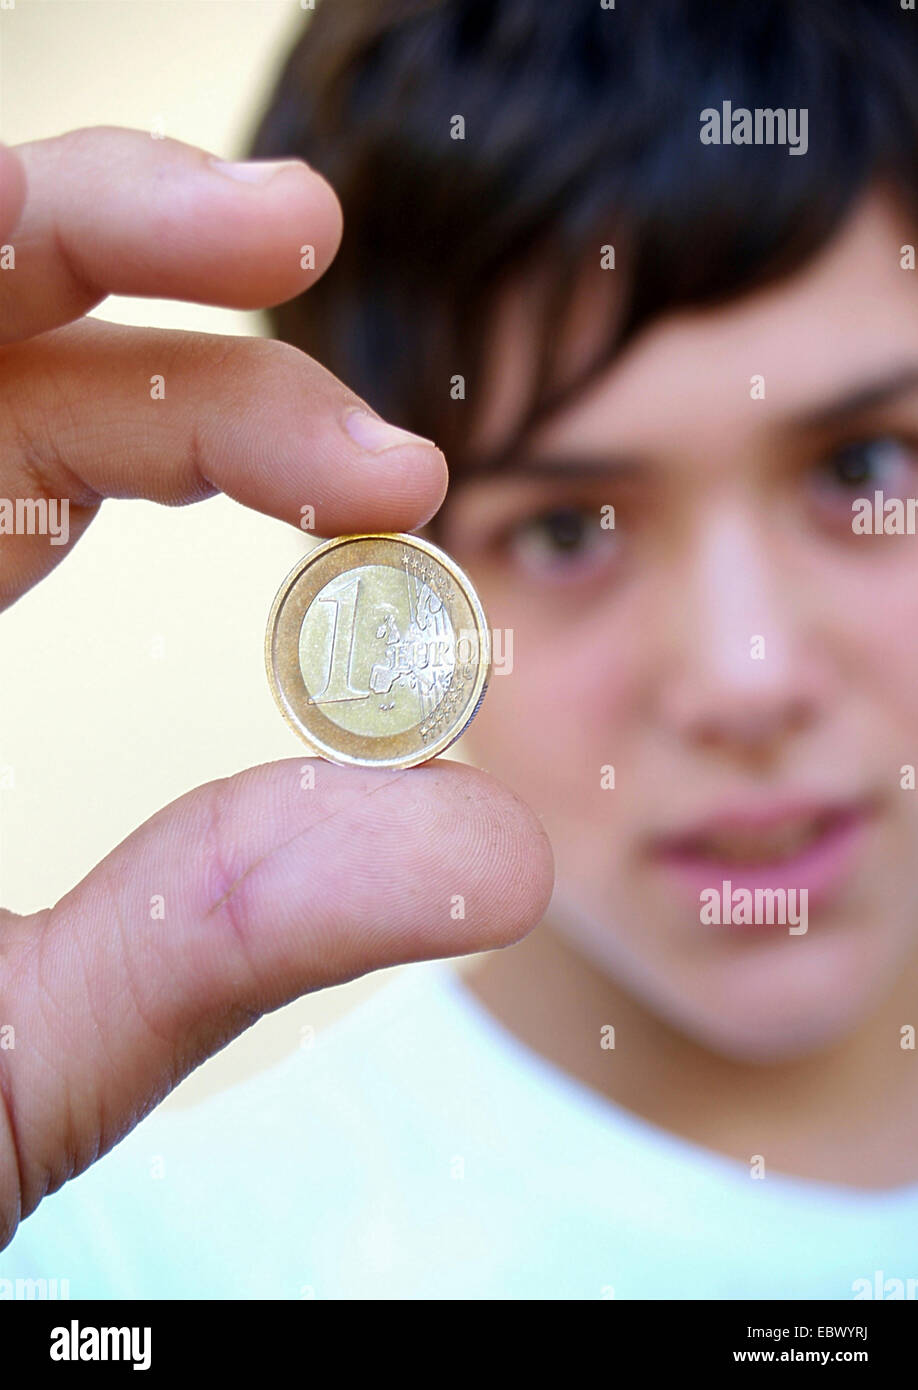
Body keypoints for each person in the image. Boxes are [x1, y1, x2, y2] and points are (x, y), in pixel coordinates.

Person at [3, 0, 918, 1299]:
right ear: (382, 561)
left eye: (861, 466)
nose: (744, 675)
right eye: (561, 528)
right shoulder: (127, 1266)